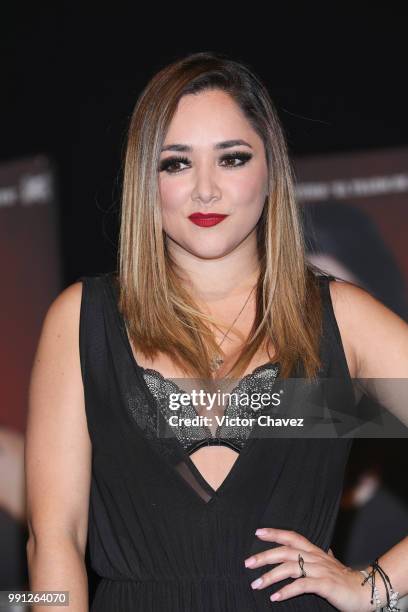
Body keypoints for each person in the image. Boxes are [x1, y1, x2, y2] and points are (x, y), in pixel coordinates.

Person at [25, 51, 408, 611]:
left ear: (271, 169)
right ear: (144, 179)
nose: (205, 190)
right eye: (175, 163)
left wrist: (375, 586)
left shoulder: (341, 318)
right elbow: (53, 540)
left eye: (231, 158)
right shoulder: (83, 318)